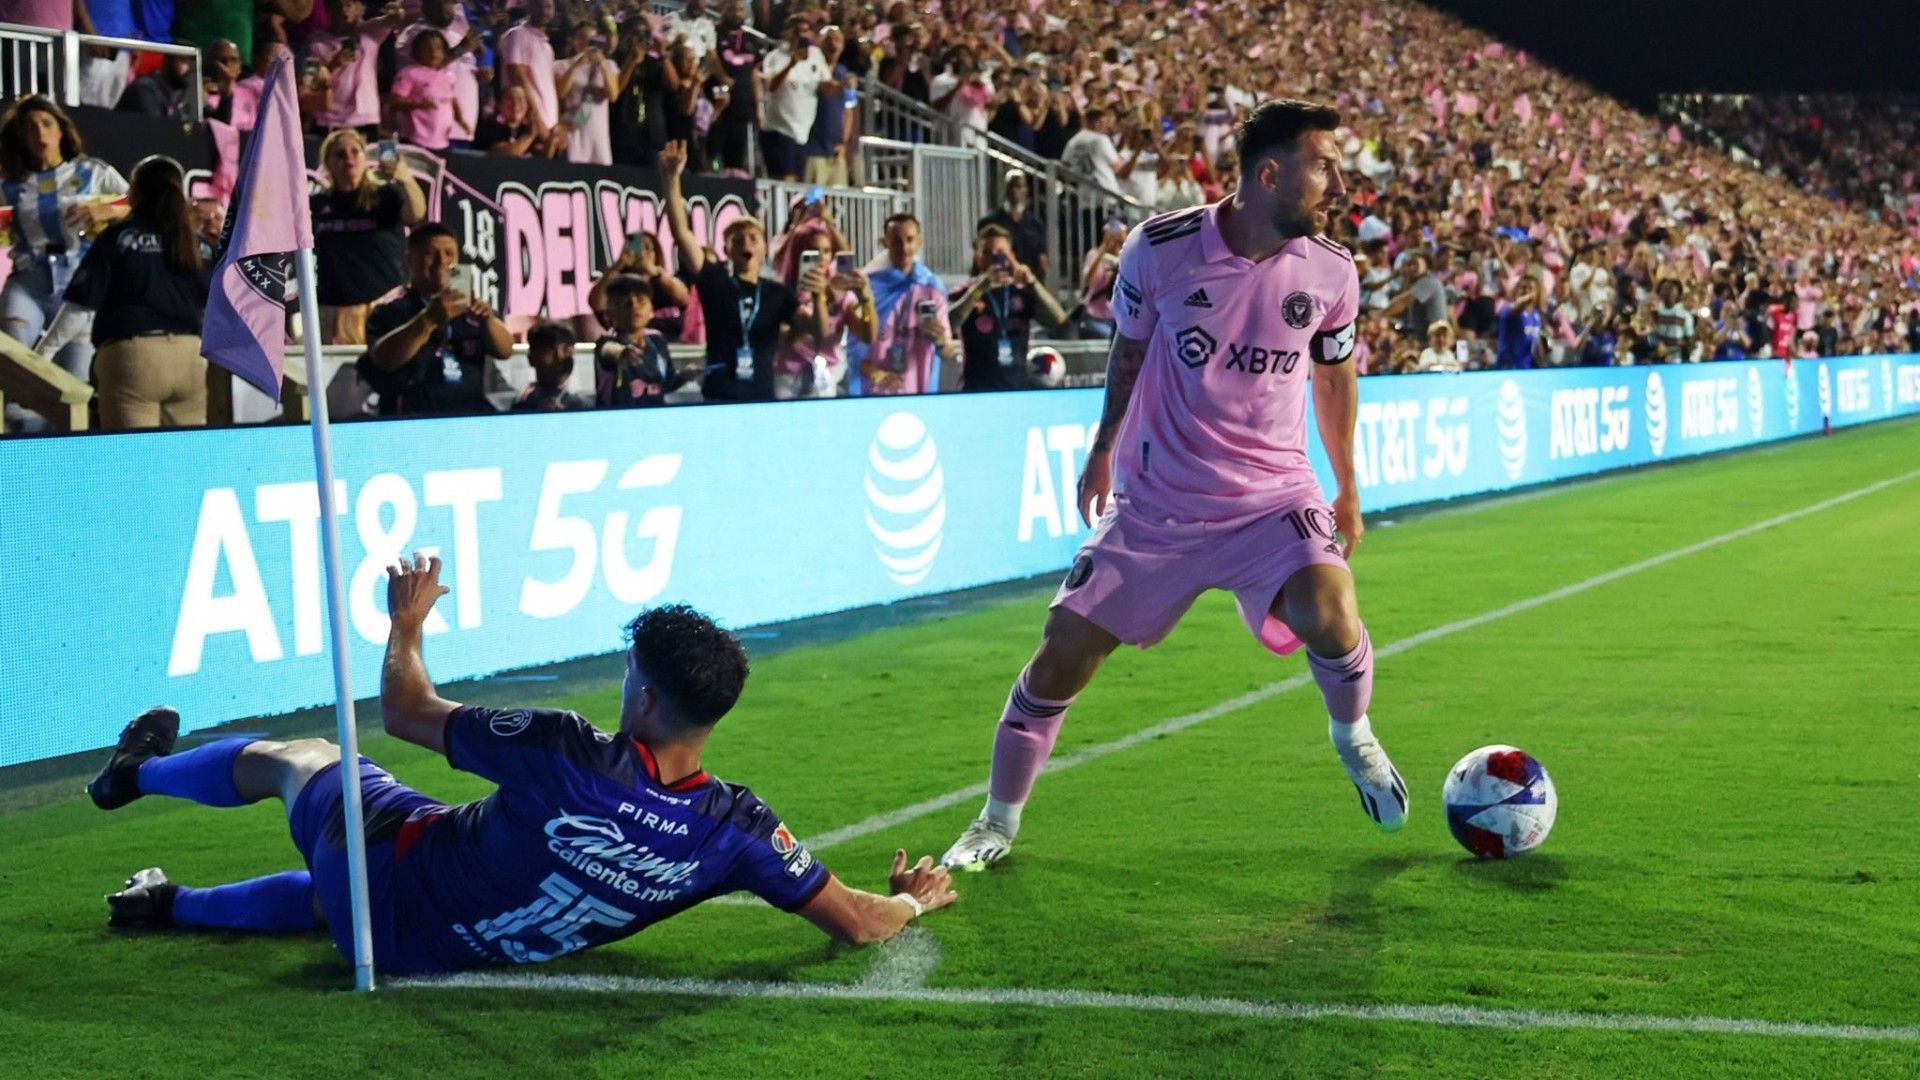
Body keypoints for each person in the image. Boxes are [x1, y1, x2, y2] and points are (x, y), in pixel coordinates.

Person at [940, 99, 1407, 872]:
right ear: (1268, 173)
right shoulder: (1158, 248)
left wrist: (1347, 486)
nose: (1335, 181)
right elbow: (1128, 353)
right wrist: (1102, 449)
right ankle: (996, 821)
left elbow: (1334, 377)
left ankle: (1353, 736)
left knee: (1331, 609)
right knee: (1060, 656)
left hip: (1272, 498)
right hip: (1158, 505)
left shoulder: (1332, 271)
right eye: (1322, 164)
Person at [89, 568, 959, 974]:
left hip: (393, 873)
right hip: (439, 950)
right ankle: (163, 906)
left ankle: (140, 772)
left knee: (304, 760)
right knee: (336, 894)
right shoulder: (735, 830)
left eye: (629, 675)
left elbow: (404, 711)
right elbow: (855, 922)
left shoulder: (567, 752)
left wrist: (406, 623)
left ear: (648, 699)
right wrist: (914, 897)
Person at [37, 156, 208, 430]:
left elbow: (80, 306)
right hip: (190, 359)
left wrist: (43, 354)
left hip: (133, 360)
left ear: (135, 192)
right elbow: (217, 305)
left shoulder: (119, 237)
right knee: (185, 464)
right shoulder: (193, 244)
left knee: (134, 464)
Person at [659, 139, 820, 402]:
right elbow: (681, 233)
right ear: (727, 248)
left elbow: (815, 328)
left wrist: (820, 297)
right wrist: (671, 180)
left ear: (765, 247)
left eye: (753, 238)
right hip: (720, 396)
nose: (746, 243)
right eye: (738, 239)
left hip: (762, 396)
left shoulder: (777, 293)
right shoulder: (715, 280)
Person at [0, 96, 128, 389]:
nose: (39, 134)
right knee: (12, 359)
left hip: (79, 284)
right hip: (28, 280)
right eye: (30, 128)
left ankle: (60, 433)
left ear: (61, 130)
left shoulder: (93, 172)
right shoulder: (8, 184)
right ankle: (16, 427)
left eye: (46, 124)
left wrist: (109, 209)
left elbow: (145, 204)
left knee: (71, 382)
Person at [362, 223, 513, 416]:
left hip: (468, 419)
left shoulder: (471, 306)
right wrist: (428, 319)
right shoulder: (390, 308)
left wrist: (489, 321)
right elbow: (383, 359)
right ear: (410, 259)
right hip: (411, 420)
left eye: (449, 253)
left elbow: (505, 351)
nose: (441, 261)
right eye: (430, 254)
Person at [948, 224, 1068, 392]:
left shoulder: (1021, 291)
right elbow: (949, 324)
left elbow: (1059, 320)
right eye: (987, 253)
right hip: (976, 391)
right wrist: (979, 289)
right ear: (977, 256)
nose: (994, 258)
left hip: (1016, 389)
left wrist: (1033, 283)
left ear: (1011, 255)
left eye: (1000, 253)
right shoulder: (965, 292)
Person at [771, 220, 875, 399]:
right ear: (798, 253)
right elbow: (787, 338)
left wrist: (866, 300)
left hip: (826, 379)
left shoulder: (841, 293)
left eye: (826, 251)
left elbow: (868, 335)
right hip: (788, 378)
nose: (821, 258)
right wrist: (822, 299)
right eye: (813, 251)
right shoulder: (782, 293)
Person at [861, 212, 956, 395]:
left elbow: (948, 351)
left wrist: (940, 340)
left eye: (910, 239)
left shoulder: (932, 287)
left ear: (919, 241)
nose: (904, 248)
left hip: (920, 394)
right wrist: (877, 374)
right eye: (896, 241)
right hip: (878, 395)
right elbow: (858, 351)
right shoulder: (870, 288)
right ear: (884, 243)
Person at [593, 275, 697, 407]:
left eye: (641, 301)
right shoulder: (606, 341)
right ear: (609, 313)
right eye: (624, 302)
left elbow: (664, 385)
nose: (633, 306)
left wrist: (684, 376)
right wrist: (622, 352)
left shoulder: (657, 340)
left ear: (651, 310)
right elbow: (608, 351)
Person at [759, 15, 829, 182]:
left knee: (797, 180)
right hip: (779, 129)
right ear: (786, 33)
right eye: (795, 30)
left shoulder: (816, 56)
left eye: (805, 31)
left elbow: (825, 84)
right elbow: (771, 87)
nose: (800, 35)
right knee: (785, 179)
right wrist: (791, 63)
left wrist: (842, 86)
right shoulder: (775, 56)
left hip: (802, 131)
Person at [589, 231, 692, 341]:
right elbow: (596, 303)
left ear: (655, 254)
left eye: (648, 248)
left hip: (673, 344)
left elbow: (684, 298)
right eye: (638, 248)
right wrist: (618, 265)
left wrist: (655, 273)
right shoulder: (619, 285)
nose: (642, 253)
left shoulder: (666, 282)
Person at [389, 30, 462, 152]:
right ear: (417, 51)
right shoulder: (409, 73)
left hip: (442, 141)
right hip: (414, 140)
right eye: (427, 48)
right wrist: (418, 105)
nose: (433, 52)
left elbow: (452, 102)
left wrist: (461, 122)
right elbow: (395, 102)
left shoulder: (449, 76)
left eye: (438, 48)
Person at [558, 22, 619, 166]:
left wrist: (602, 65)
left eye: (593, 39)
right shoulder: (562, 65)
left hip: (598, 136)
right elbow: (561, 92)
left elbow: (613, 95)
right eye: (583, 38)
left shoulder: (609, 65)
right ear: (574, 41)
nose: (588, 43)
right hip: (574, 132)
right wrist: (576, 64)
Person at [976, 170, 1048, 284]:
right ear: (1005, 189)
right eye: (1012, 186)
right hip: (999, 286)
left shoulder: (1036, 225)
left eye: (1019, 186)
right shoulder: (990, 222)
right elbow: (979, 258)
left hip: (1028, 287)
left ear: (1026, 190)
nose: (1015, 191)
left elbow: (1042, 261)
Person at [500, 0, 560, 135]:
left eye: (548, 7)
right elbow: (517, 75)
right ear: (529, 7)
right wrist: (536, 118)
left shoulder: (547, 47)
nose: (544, 11)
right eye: (539, 6)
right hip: (529, 124)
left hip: (548, 125)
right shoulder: (518, 34)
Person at [512, 320, 590, 411]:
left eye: (566, 350)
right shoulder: (523, 404)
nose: (559, 357)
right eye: (549, 351)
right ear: (532, 357)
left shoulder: (579, 404)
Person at [115, 46, 196, 120]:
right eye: (182, 61)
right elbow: (155, 128)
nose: (187, 68)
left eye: (188, 63)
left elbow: (186, 128)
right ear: (168, 61)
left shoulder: (179, 92)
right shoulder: (145, 88)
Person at [473, 84, 549, 157]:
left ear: (527, 106)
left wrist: (554, 140)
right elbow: (505, 153)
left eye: (520, 99)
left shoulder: (527, 129)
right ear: (499, 104)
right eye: (509, 98)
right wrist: (529, 136)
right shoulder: (489, 126)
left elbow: (543, 155)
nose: (515, 103)